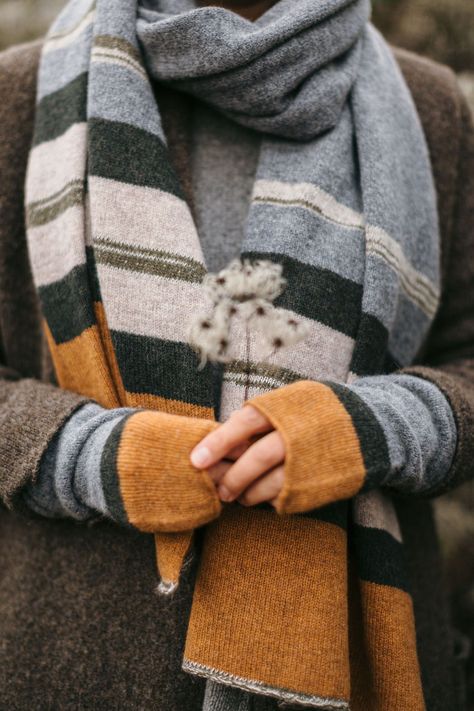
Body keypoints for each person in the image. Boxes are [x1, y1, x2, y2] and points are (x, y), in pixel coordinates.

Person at [0, 0, 472, 708]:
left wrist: (374, 427)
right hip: (68, 663)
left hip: (352, 659)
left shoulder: (433, 109)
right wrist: (91, 455)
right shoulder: (21, 92)